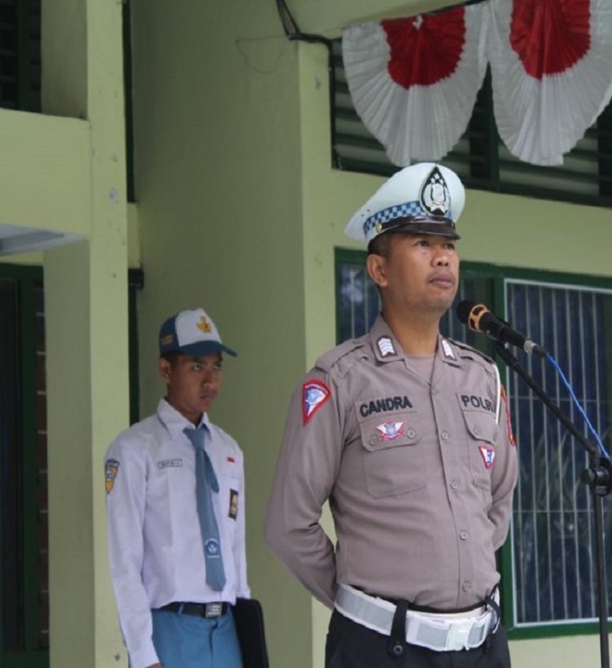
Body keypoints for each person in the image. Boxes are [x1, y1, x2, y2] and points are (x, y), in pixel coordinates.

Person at [265, 162, 519, 667]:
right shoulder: (340, 380)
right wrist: (361, 601)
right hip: (385, 649)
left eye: (448, 243)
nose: (442, 256)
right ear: (379, 270)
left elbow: (499, 500)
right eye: (422, 244)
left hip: (482, 646)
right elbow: (288, 525)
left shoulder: (482, 377)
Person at [105, 308, 249, 668]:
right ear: (166, 370)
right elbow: (125, 560)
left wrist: (246, 626)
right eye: (196, 367)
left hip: (226, 630)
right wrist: (142, 652)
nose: (210, 381)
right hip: (169, 630)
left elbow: (236, 549)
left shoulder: (227, 450)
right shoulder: (136, 449)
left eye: (217, 367)